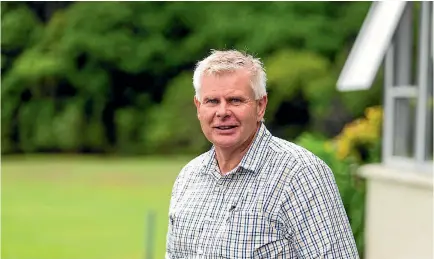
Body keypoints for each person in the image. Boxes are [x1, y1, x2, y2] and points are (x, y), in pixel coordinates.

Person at [165, 49, 359, 258]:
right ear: (198, 107)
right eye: (212, 101)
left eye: (235, 100)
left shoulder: (301, 175)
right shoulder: (188, 177)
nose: (222, 112)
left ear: (260, 106)